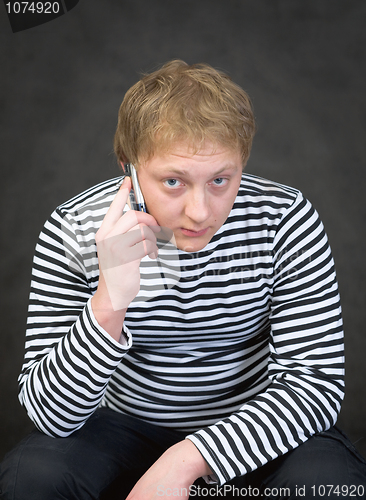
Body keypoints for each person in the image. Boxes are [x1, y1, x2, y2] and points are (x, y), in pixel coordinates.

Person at [1, 60, 365, 500]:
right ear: (129, 170)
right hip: (121, 428)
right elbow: (50, 415)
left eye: (220, 180)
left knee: (330, 486)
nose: (200, 211)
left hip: (256, 427)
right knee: (31, 480)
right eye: (173, 181)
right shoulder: (75, 227)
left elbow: (315, 385)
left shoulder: (284, 219)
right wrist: (110, 300)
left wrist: (187, 458)